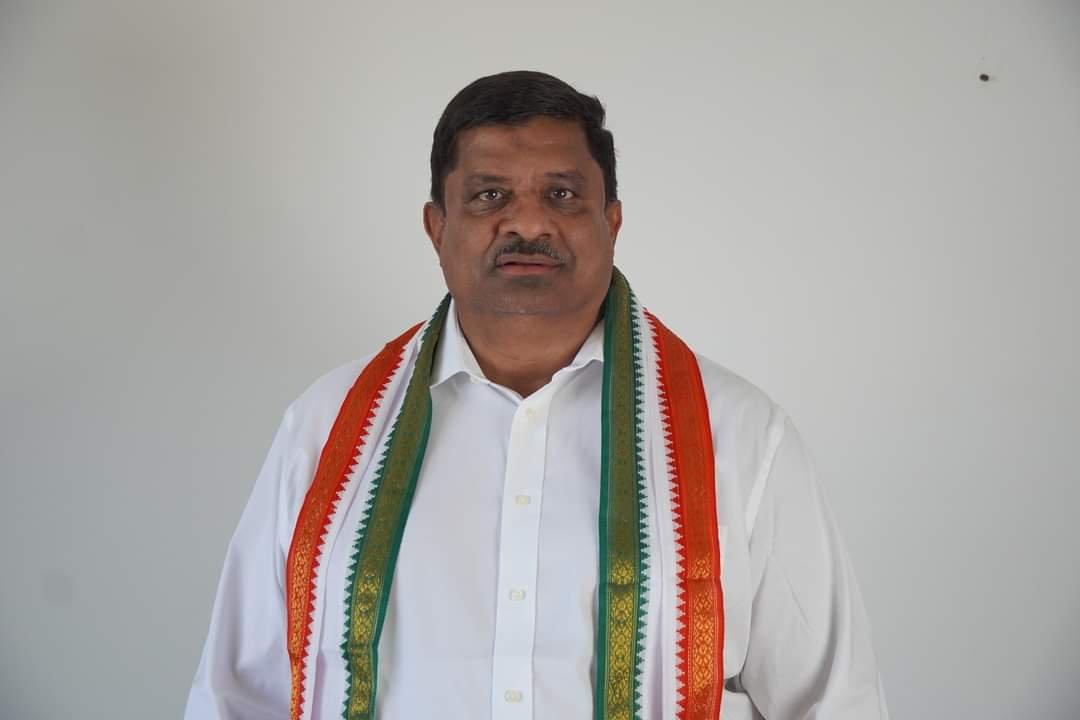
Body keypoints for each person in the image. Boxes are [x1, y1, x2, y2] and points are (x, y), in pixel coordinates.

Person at [185, 70, 889, 720]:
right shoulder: (326, 427)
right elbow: (236, 698)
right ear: (437, 227)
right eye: (490, 195)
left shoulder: (738, 433)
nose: (528, 224)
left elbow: (835, 704)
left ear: (612, 221)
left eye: (562, 195)